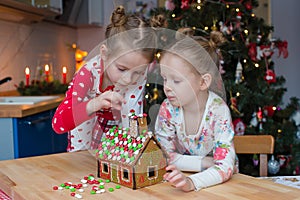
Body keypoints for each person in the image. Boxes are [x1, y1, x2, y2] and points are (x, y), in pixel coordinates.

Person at [52, 6, 156, 152]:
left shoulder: (136, 69)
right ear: (105, 54)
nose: (128, 80)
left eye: (138, 73)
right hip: (82, 148)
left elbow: (132, 118)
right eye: (122, 69)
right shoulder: (87, 74)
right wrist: (94, 104)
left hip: (115, 143)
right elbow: (58, 124)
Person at [155, 29, 236, 192]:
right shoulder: (168, 109)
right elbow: (163, 157)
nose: (167, 87)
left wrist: (192, 182)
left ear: (203, 82)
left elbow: (225, 167)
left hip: (221, 189)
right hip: (178, 184)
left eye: (176, 80)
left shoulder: (218, 111)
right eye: (165, 78)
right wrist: (203, 162)